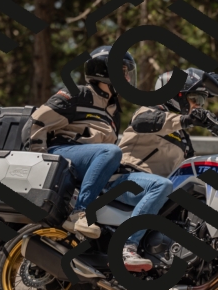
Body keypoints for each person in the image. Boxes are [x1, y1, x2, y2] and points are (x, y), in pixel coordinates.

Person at [113, 68, 218, 271]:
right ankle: (127, 246)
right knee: (162, 185)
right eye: (195, 99)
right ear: (177, 96)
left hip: (156, 191)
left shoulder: (182, 136)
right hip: (125, 180)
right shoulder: (149, 111)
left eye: (202, 101)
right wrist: (186, 120)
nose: (198, 106)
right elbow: (142, 122)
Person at [26, 45, 136, 239]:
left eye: (127, 73)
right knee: (111, 152)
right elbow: (36, 122)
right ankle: (81, 212)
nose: (127, 79)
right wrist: (40, 161)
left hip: (88, 161)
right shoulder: (78, 94)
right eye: (123, 72)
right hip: (62, 153)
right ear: (104, 71)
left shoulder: (113, 112)